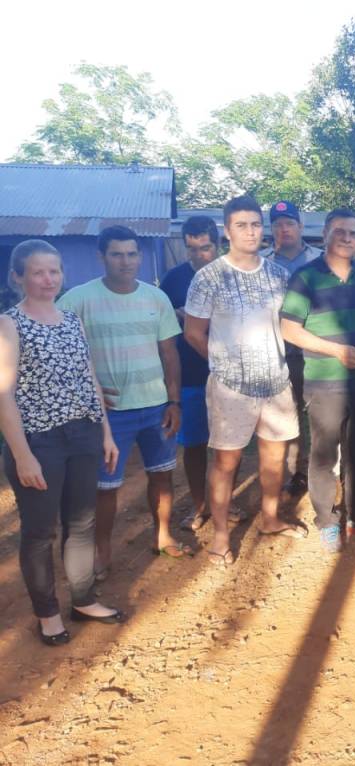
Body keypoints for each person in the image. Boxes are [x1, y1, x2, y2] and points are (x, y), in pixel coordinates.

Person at [0, 240, 124, 645]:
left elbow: (88, 378)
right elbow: (3, 394)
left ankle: (83, 600)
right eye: (37, 272)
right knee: (40, 532)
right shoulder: (9, 324)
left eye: (54, 271)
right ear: (18, 277)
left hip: (83, 433)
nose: (48, 279)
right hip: (40, 441)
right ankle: (48, 614)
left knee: (82, 523)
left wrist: (105, 433)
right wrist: (22, 455)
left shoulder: (71, 320)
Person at [58, 225, 187, 577]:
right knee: (105, 488)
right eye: (116, 254)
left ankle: (163, 535)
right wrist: (87, 390)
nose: (125, 261)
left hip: (156, 407)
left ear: (140, 257)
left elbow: (169, 353)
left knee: (162, 475)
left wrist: (174, 402)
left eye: (131, 254)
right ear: (102, 257)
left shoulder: (156, 298)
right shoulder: (78, 300)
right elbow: (59, 350)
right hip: (109, 415)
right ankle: (102, 551)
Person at [185, 196, 303, 566]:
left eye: (255, 224)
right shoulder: (208, 277)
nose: (250, 232)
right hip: (230, 388)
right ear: (227, 231)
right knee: (226, 462)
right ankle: (221, 536)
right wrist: (223, 365)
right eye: (241, 225)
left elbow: (289, 325)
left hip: (276, 382)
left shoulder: (278, 275)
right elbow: (193, 332)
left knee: (275, 457)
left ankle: (270, 518)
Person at [281, 209, 355, 552]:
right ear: (326, 233)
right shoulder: (305, 277)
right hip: (325, 381)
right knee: (325, 454)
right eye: (340, 231)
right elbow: (289, 329)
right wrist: (336, 351)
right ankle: (327, 520)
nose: (347, 238)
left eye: (353, 233)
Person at [160, 216, 244, 531]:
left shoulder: (235, 276)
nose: (199, 255)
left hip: (230, 376)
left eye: (205, 248)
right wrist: (179, 315)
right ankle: (200, 506)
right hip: (191, 375)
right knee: (194, 445)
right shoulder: (173, 280)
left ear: (218, 244)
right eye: (192, 248)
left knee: (230, 445)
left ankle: (227, 501)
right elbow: (162, 327)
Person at [260, 201, 323, 498]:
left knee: (323, 415)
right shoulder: (260, 263)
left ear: (300, 226)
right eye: (277, 225)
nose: (283, 229)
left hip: (316, 350)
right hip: (278, 353)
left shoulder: (320, 259)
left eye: (289, 223)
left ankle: (327, 472)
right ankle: (298, 472)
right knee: (288, 416)